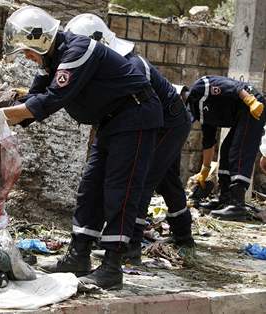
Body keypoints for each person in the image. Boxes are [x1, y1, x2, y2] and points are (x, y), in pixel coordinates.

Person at [0, 6, 163, 290]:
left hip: (135, 117)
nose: (27, 57)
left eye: (27, 50)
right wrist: (0, 113)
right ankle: (78, 256)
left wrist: (3, 117)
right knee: (90, 186)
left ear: (40, 39)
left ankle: (112, 267)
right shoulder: (51, 60)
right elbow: (37, 96)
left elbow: (50, 101)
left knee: (120, 189)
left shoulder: (78, 50)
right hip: (109, 122)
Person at [65, 13, 194, 264]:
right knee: (165, 179)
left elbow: (135, 111)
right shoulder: (106, 65)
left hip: (167, 122)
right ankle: (183, 235)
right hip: (151, 123)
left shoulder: (131, 64)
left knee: (142, 177)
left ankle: (131, 243)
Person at [186, 76, 265, 221]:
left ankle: (237, 205)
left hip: (251, 107)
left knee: (239, 151)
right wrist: (205, 169)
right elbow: (208, 141)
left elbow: (233, 86)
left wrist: (251, 100)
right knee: (226, 150)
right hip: (240, 114)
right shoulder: (199, 112)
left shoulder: (201, 87)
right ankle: (226, 198)